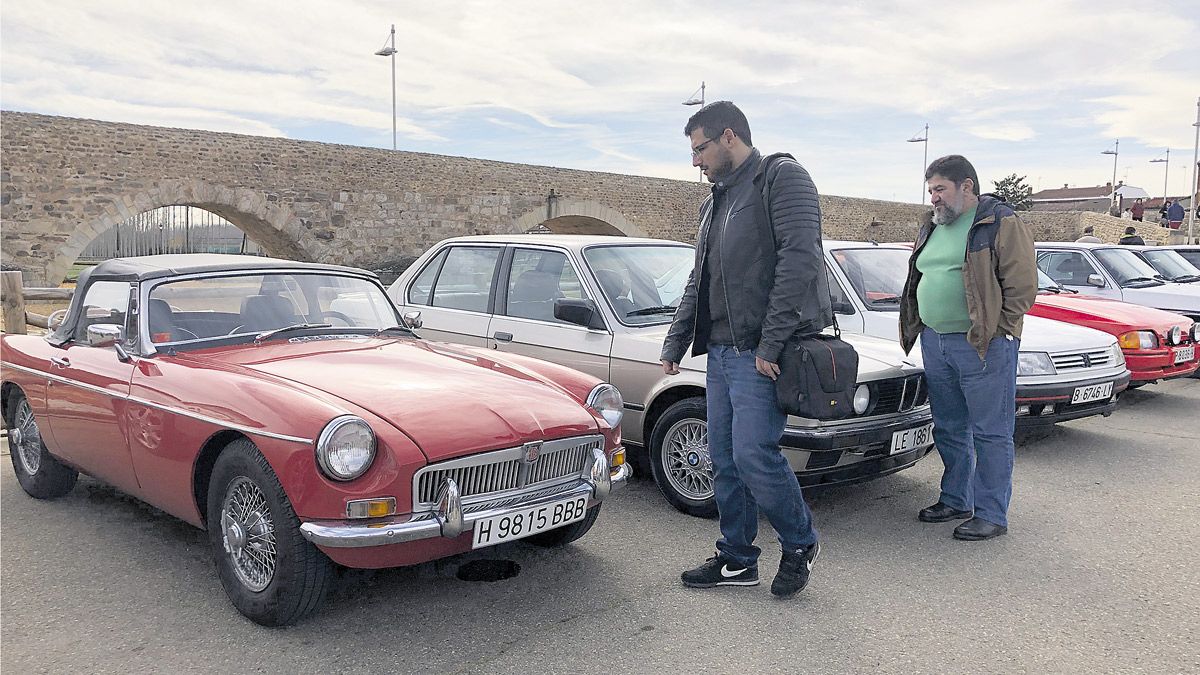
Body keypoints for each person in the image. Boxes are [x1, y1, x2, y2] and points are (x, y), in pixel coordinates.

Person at [661, 100, 829, 597]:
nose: (695, 162)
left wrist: (771, 342)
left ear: (729, 136)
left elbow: (799, 262)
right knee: (724, 458)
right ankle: (737, 558)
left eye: (700, 149)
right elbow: (701, 276)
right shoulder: (715, 201)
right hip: (719, 351)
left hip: (759, 349)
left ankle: (800, 543)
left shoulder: (782, 178)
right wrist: (676, 338)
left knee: (755, 453)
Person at [899, 155, 1037, 541]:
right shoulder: (931, 225)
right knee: (949, 426)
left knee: (991, 431)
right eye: (931, 191)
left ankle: (991, 512)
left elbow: (1023, 285)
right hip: (935, 340)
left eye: (940, 189)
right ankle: (956, 498)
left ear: (967, 186)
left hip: (982, 344)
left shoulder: (999, 222)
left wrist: (998, 330)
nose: (934, 199)